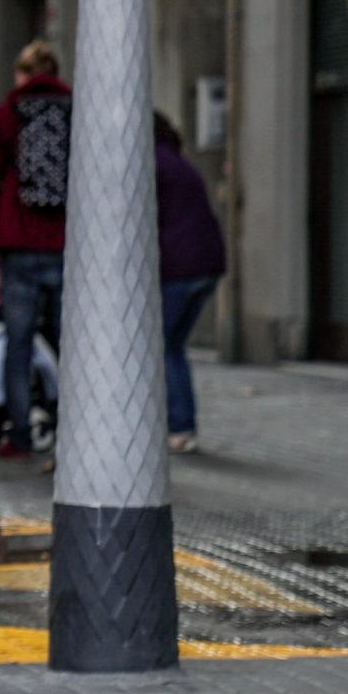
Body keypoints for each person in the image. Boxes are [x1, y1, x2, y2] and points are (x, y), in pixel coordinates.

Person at [0, 39, 70, 459]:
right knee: (74, 344)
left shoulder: (5, 116)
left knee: (19, 343)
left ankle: (20, 435)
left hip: (17, 244)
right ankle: (74, 429)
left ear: (21, 73)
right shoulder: (76, 112)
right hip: (67, 244)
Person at [154, 113, 227, 453]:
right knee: (172, 346)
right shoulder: (180, 165)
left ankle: (180, 426)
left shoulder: (149, 163)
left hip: (178, 268)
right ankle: (182, 425)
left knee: (164, 346)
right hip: (205, 265)